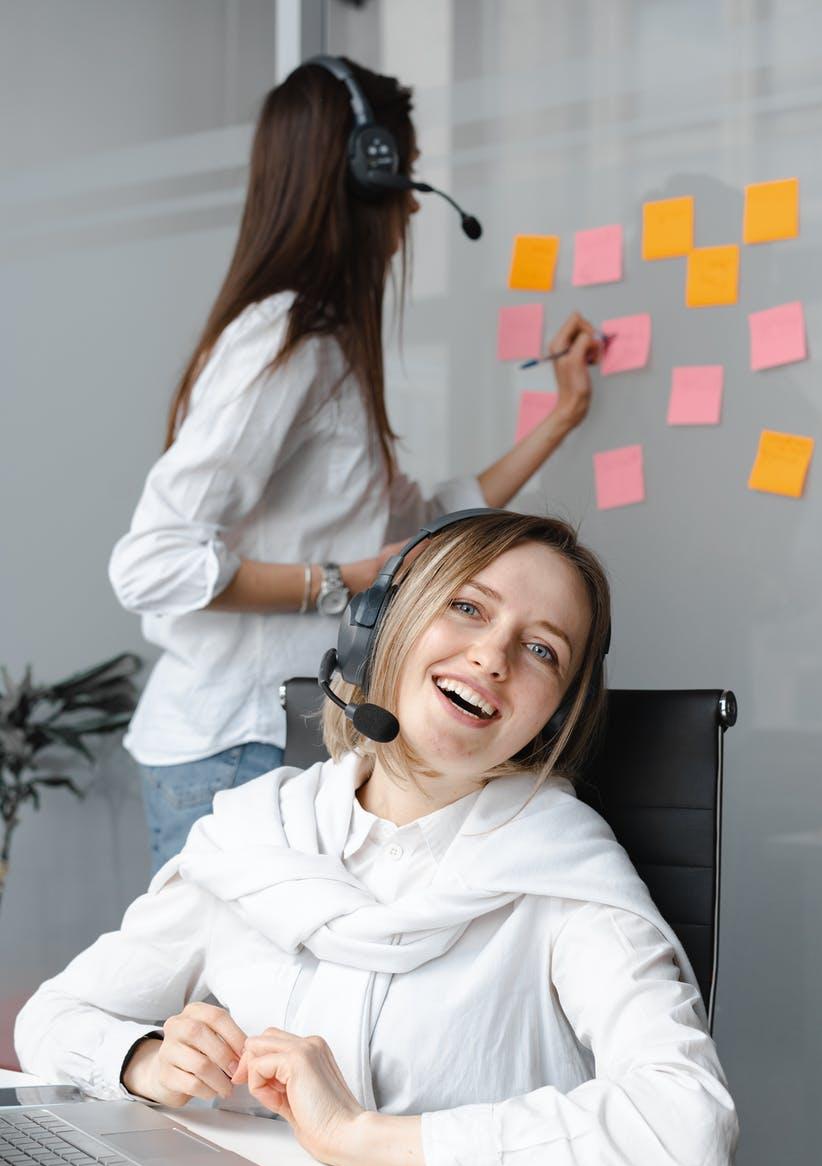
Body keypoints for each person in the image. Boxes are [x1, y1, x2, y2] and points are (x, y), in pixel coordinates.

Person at [18, 511, 738, 1166]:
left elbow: (688, 1127)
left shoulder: (565, 876)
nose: (492, 656)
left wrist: (363, 1137)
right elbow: (53, 1019)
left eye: (541, 649)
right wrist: (144, 1060)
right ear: (377, 626)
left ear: (553, 712)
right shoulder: (254, 835)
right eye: (467, 608)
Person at [108, 56, 602, 874]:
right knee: (221, 1002)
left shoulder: (329, 348)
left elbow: (426, 521)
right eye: (400, 172)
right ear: (365, 174)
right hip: (234, 744)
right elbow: (151, 565)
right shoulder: (286, 340)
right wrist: (340, 577)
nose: (411, 201)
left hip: (277, 734)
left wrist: (562, 415)